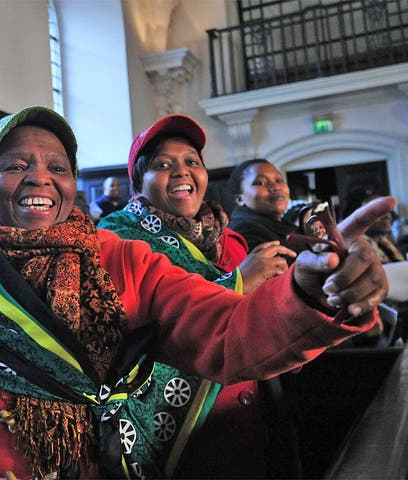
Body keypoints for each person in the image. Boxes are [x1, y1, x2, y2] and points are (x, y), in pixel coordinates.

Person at [0, 106, 390, 480]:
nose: (39, 175)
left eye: (58, 166)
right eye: (15, 164)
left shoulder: (122, 261)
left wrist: (311, 295)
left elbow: (230, 337)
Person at [98, 114, 299, 478]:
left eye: (192, 161)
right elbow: (143, 331)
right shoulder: (117, 236)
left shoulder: (222, 238)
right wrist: (238, 281)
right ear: (138, 184)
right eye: (163, 164)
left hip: (246, 412)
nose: (182, 171)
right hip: (182, 436)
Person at [228, 158, 305, 262]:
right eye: (261, 182)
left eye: (279, 180)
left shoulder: (281, 222)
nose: (276, 187)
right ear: (240, 199)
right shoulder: (246, 231)